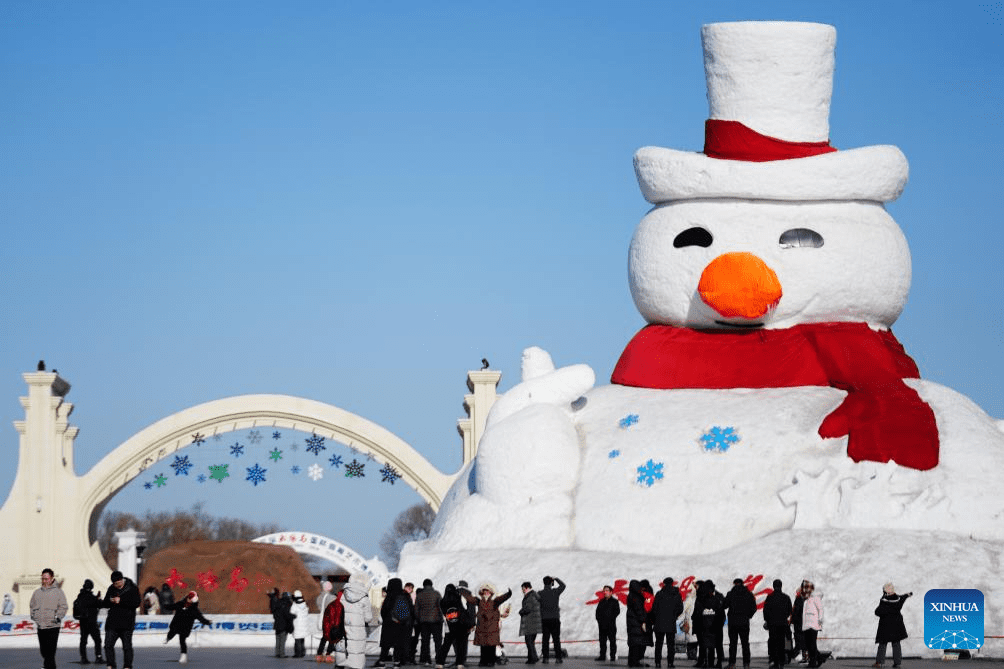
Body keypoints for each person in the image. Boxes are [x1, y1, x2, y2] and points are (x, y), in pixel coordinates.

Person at [101, 569, 141, 669]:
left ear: (121, 580)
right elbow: (105, 603)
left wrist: (121, 601)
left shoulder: (132, 588)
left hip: (126, 623)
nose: (116, 584)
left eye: (117, 582)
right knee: (108, 645)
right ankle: (111, 665)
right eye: (114, 583)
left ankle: (127, 666)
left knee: (127, 647)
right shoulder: (111, 588)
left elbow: (136, 603)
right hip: (112, 623)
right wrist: (111, 600)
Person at [30, 567, 68, 669]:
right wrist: (34, 616)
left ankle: (47, 667)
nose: (44, 581)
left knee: (50, 652)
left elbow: (64, 606)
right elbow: (32, 606)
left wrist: (57, 616)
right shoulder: (37, 592)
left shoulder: (58, 592)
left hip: (53, 625)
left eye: (46, 579)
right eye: (43, 579)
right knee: (44, 651)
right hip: (41, 626)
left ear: (51, 579)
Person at [163, 590, 212, 664]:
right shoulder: (180, 604)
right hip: (176, 624)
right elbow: (172, 607)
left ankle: (183, 656)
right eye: (188, 598)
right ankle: (168, 638)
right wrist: (165, 606)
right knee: (172, 633)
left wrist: (207, 622)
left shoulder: (194, 610)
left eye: (191, 599)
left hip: (185, 628)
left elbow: (200, 618)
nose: (189, 600)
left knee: (182, 640)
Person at [436, 582, 477, 669]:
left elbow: (445, 614)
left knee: (445, 646)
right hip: (460, 626)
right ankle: (460, 664)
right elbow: (462, 611)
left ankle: (440, 663)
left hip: (449, 626)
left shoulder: (442, 602)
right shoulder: (457, 599)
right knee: (461, 646)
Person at [473, 582, 513, 667]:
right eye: (484, 591)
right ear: (482, 593)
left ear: (491, 593)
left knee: (491, 646)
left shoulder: (494, 602)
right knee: (483, 646)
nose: (486, 593)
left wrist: (508, 594)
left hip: (491, 629)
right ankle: (483, 661)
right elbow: (470, 599)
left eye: (488, 591)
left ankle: (491, 661)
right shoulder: (480, 602)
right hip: (482, 629)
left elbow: (501, 598)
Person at [873, 584, 912, 668]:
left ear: (885, 592)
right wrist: (908, 595)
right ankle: (897, 663)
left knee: (883, 644)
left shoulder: (884, 601)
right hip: (897, 625)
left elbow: (877, 612)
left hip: (886, 626)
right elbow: (903, 597)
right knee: (896, 644)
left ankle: (879, 662)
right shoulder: (898, 599)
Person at [340, 575, 374, 669]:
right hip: (357, 632)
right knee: (357, 653)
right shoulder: (364, 598)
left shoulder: (343, 595)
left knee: (344, 652)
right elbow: (368, 618)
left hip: (344, 628)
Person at [723, 579, 757, 669]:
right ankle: (746, 664)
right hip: (744, 622)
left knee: (733, 644)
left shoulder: (730, 594)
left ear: (734, 584)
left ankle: (732, 664)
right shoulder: (749, 594)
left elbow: (724, 605)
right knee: (745, 644)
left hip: (733, 622)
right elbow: (754, 607)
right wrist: (748, 616)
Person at [652, 577, 683, 668]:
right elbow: (680, 608)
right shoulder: (676, 594)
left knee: (659, 644)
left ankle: (658, 663)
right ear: (672, 583)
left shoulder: (659, 594)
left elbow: (654, 609)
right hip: (671, 622)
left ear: (664, 583)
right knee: (670, 645)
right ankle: (670, 663)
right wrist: (674, 616)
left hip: (659, 622)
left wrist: (657, 617)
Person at [762, 580, 793, 669]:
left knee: (773, 643)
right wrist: (783, 617)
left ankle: (775, 662)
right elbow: (789, 610)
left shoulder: (770, 597)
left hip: (772, 624)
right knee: (781, 643)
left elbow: (766, 611)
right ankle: (782, 662)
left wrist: (767, 620)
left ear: (773, 586)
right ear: (781, 586)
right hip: (782, 623)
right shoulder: (786, 597)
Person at [73, 578, 104, 665]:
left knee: (83, 641)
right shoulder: (92, 598)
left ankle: (83, 658)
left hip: (83, 622)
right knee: (97, 640)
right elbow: (100, 605)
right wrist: (99, 599)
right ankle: (98, 657)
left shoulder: (80, 597)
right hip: (92, 622)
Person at [417, 578, 444, 665]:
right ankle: (439, 658)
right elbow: (441, 607)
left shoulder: (419, 595)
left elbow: (416, 609)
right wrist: (441, 618)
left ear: (423, 585)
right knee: (438, 641)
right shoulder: (436, 594)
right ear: (431, 585)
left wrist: (419, 618)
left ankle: (427, 659)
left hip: (424, 622)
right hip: (436, 621)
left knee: (425, 641)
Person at [539, 576, 565, 664]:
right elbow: (563, 586)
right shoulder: (555, 592)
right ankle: (558, 658)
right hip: (555, 619)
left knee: (545, 640)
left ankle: (545, 658)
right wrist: (556, 579)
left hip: (544, 619)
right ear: (551, 583)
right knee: (556, 639)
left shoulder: (540, 593)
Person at [699, 581, 725, 669]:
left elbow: (721, 614)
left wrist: (719, 624)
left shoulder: (718, 597)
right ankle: (710, 662)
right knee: (709, 645)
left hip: (714, 625)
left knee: (717, 645)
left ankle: (717, 662)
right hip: (709, 625)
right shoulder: (704, 598)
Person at [801, 581, 826, 668]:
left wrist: (820, 620)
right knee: (808, 644)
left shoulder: (815, 598)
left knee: (812, 644)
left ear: (811, 589)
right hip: (806, 625)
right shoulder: (806, 600)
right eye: (805, 588)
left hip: (813, 624)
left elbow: (820, 609)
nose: (806, 590)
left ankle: (813, 662)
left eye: (807, 588)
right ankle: (819, 658)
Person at [594, 584, 620, 663]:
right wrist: (599, 620)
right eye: (604, 591)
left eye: (607, 591)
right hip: (602, 625)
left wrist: (610, 618)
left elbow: (617, 611)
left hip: (611, 625)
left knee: (612, 641)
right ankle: (602, 656)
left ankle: (612, 656)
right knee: (602, 641)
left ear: (611, 592)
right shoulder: (601, 601)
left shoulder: (614, 601)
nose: (605, 592)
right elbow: (597, 612)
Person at [626, 580, 647, 668]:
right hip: (636, 623)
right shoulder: (636, 597)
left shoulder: (630, 595)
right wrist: (643, 620)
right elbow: (639, 610)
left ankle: (632, 661)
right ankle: (635, 661)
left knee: (633, 643)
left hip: (631, 622)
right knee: (637, 643)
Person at [321, 588, 346, 665]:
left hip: (334, 626)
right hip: (337, 626)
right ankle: (329, 654)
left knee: (331, 641)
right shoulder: (339, 605)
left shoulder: (334, 604)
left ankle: (327, 654)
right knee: (334, 641)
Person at [519, 581, 542, 664]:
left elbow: (528, 608)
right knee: (530, 641)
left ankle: (533, 658)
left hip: (530, 622)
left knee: (529, 641)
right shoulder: (535, 595)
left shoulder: (530, 596)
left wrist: (521, 611)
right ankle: (531, 658)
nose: (522, 590)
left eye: (523, 589)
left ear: (526, 588)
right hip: (534, 623)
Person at [269, 589, 295, 658]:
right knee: (282, 640)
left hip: (277, 624)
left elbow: (274, 612)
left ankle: (277, 653)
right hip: (284, 625)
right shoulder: (287, 604)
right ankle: (282, 654)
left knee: (278, 639)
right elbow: (287, 615)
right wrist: (293, 616)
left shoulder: (277, 603)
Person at [316, 581, 337, 662]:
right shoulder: (332, 597)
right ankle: (329, 654)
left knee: (324, 637)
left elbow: (319, 607)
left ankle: (319, 653)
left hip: (323, 619)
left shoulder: (319, 597)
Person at [791, 583, 808, 664]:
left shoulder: (799, 600)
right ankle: (803, 656)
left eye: (797, 592)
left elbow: (796, 612)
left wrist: (792, 620)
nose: (796, 594)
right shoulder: (804, 599)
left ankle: (801, 656)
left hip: (799, 624)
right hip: (803, 623)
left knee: (801, 641)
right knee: (803, 641)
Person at [291, 589, 310, 658]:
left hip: (297, 624)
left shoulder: (295, 605)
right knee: (302, 639)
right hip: (304, 624)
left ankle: (298, 653)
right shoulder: (304, 604)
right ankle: (302, 652)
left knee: (297, 640)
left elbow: (292, 613)